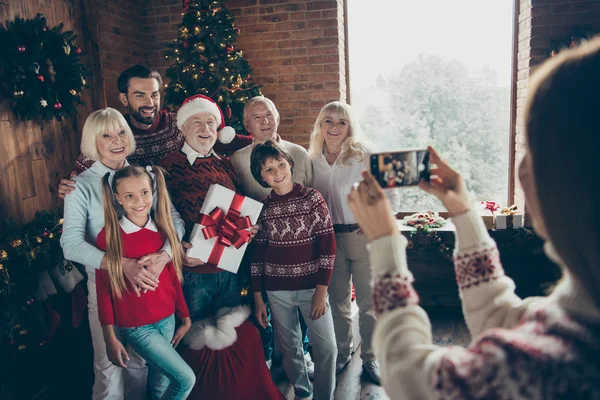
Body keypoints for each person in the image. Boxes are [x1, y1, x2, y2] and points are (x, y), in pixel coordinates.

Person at [346, 39, 600, 399]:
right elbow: (497, 314)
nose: (522, 168)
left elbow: (408, 374)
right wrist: (464, 212)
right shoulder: (578, 314)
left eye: (531, 148)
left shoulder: (550, 366)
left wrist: (385, 244)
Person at [159, 94, 282, 400]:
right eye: (197, 122)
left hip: (229, 266)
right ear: (183, 128)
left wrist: (248, 228)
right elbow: (158, 215)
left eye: (211, 123)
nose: (205, 128)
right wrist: (175, 246)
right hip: (193, 271)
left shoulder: (225, 165)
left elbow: (238, 208)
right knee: (194, 340)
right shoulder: (166, 166)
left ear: (218, 129)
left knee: (230, 334)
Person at [60, 108, 185, 399]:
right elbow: (70, 243)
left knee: (140, 365)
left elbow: (174, 220)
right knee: (109, 367)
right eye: (106, 135)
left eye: (120, 132)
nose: (116, 140)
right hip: (107, 288)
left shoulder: (144, 176)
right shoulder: (80, 185)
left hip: (150, 286)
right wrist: (121, 265)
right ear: (93, 141)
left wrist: (165, 255)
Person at [57, 64, 253, 197]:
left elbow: (216, 137)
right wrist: (68, 182)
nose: (149, 103)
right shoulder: (115, 133)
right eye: (140, 96)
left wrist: (258, 139)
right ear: (124, 99)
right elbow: (81, 170)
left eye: (154, 95)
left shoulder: (178, 123)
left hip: (176, 207)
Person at [308, 101, 399, 384]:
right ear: (320, 127)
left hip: (363, 236)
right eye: (328, 121)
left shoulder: (365, 154)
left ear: (350, 127)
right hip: (329, 239)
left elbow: (392, 192)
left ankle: (371, 358)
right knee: (337, 301)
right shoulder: (312, 161)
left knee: (370, 301)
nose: (334, 127)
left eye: (341, 122)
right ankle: (343, 354)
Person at [96, 165, 195, 399]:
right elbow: (103, 290)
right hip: (137, 327)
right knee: (185, 379)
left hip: (168, 319)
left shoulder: (163, 230)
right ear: (117, 198)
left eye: (144, 193)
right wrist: (109, 337)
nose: (139, 201)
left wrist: (185, 316)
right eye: (129, 196)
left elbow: (172, 279)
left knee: (161, 384)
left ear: (153, 192)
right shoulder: (109, 236)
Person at [230, 96, 313, 373]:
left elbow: (311, 197)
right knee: (261, 304)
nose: (265, 121)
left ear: (277, 117)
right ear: (246, 124)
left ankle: (305, 355)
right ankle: (264, 359)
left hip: (296, 245)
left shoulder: (298, 153)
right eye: (257, 117)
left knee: (301, 303)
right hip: (259, 247)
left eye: (269, 115)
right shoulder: (237, 160)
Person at [250, 140, 337, 400]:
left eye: (280, 164)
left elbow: (328, 247)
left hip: (312, 289)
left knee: (327, 347)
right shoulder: (263, 208)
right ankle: (302, 391)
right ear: (261, 176)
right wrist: (258, 298)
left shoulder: (312, 198)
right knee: (290, 348)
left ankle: (324, 396)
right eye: (268, 169)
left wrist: (321, 291)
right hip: (276, 291)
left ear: (289, 163)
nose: (277, 172)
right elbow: (257, 255)